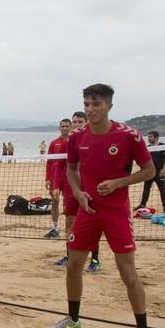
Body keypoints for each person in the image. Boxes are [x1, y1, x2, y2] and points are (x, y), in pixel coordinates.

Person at [46, 84, 155, 328]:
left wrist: (120, 182)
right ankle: (73, 319)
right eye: (86, 104)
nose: (90, 109)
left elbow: (149, 170)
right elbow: (71, 169)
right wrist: (80, 192)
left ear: (109, 106)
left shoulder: (129, 135)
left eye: (96, 104)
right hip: (88, 210)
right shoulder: (77, 136)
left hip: (116, 212)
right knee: (73, 265)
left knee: (127, 272)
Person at [66, 111, 102, 273]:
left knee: (93, 227)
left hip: (90, 191)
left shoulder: (92, 141)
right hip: (72, 190)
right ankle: (69, 256)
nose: (76, 124)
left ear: (86, 122)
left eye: (79, 121)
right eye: (74, 121)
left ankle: (94, 259)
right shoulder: (70, 142)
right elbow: (66, 168)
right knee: (69, 224)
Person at [44, 118, 73, 240]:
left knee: (68, 205)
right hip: (56, 177)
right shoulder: (54, 143)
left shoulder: (73, 141)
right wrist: (47, 178)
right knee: (54, 203)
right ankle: (55, 228)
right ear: (59, 128)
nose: (65, 128)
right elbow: (49, 162)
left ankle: (70, 229)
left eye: (67, 126)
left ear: (70, 127)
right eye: (63, 126)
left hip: (69, 177)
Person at [136, 131, 165, 214]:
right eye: (148, 137)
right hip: (150, 172)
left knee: (162, 191)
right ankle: (142, 205)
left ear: (156, 138)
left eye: (150, 137)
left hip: (159, 172)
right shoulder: (148, 147)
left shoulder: (163, 146)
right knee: (146, 189)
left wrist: (163, 170)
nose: (149, 138)